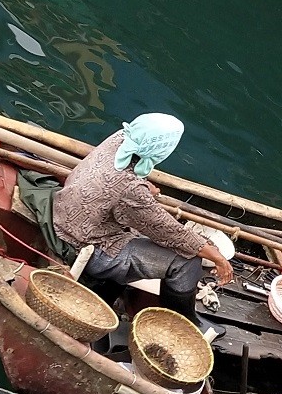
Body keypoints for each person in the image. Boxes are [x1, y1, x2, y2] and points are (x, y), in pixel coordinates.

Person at [54, 113, 233, 340]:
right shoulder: (130, 191)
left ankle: (112, 288)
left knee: (150, 232)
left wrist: (143, 189)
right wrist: (218, 257)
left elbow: (118, 186)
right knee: (187, 260)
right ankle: (183, 322)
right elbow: (172, 233)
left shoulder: (120, 138)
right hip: (87, 244)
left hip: (66, 214)